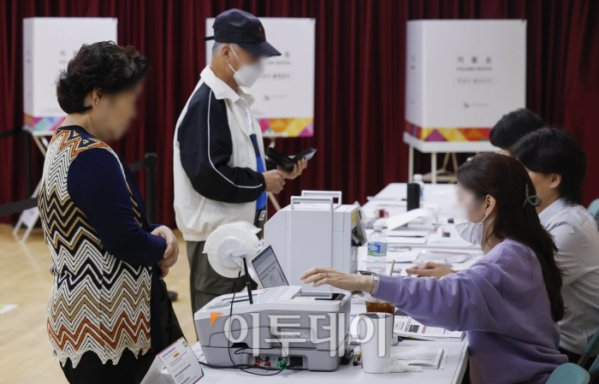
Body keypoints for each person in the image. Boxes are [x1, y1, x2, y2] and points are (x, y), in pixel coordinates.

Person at [301, 153, 567, 384]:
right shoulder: (521, 247)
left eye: (463, 198)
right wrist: (456, 276)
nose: (460, 207)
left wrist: (368, 282)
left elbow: (449, 300)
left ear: (488, 204)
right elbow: (484, 290)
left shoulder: (507, 257)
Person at [39, 42, 180, 384]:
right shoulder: (92, 155)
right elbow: (124, 239)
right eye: (129, 98)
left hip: (80, 319)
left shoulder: (60, 144)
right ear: (98, 96)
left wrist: (157, 231)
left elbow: (102, 223)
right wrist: (163, 248)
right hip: (107, 327)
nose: (132, 111)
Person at [173, 9, 308, 315]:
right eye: (253, 56)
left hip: (241, 238)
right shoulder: (207, 104)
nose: (259, 65)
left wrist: (278, 169)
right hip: (217, 244)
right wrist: (261, 182)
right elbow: (208, 175)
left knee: (243, 336)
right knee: (221, 338)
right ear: (226, 52)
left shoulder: (234, 99)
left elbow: (241, 157)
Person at [510, 128, 599, 367]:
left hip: (568, 351)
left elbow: (518, 290)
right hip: (550, 333)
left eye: (524, 172)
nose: (517, 180)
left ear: (553, 179)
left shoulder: (569, 228)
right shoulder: (546, 215)